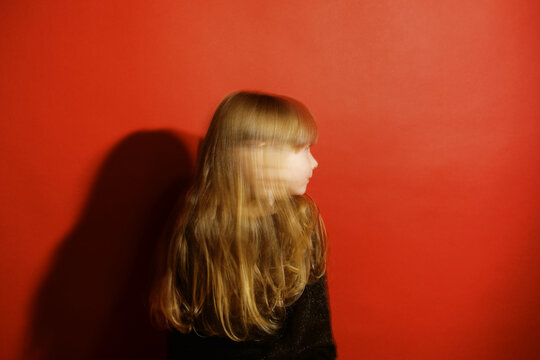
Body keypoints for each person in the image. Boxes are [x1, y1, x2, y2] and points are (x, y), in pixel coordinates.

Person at [150, 91, 336, 359]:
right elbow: (186, 344)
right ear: (262, 155)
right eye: (304, 149)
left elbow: (316, 341)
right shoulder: (198, 232)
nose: (314, 162)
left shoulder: (301, 224)